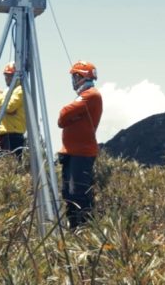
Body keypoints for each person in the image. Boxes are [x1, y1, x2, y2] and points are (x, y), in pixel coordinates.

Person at [57, 61, 103, 229]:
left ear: (81, 76)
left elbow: (63, 115)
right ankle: (74, 228)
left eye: (74, 76)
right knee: (68, 194)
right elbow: (63, 120)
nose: (73, 80)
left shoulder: (91, 95)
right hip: (72, 153)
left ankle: (83, 231)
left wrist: (71, 117)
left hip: (81, 153)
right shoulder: (83, 96)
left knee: (79, 195)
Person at [0, 62, 26, 159]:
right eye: (6, 75)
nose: (7, 78)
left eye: (10, 76)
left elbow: (9, 107)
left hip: (12, 134)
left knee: (10, 165)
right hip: (3, 134)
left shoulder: (20, 90)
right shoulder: (7, 92)